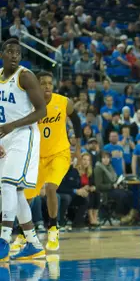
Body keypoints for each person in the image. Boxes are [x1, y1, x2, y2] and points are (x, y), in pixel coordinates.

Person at [13, 71, 81, 252]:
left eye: (50, 83)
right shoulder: (28, 104)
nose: (47, 86)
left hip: (60, 154)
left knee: (51, 188)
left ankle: (53, 229)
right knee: (26, 197)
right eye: (43, 83)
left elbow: (76, 121)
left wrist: (79, 150)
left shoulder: (64, 102)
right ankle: (22, 233)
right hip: (37, 157)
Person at [0, 38, 48, 260]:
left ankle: (4, 239)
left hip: (23, 134)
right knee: (17, 192)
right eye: (10, 51)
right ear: (3, 53)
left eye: (18, 52)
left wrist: (13, 126)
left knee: (7, 185)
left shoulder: (25, 76)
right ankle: (34, 243)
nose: (14, 55)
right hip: (5, 136)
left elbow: (42, 111)